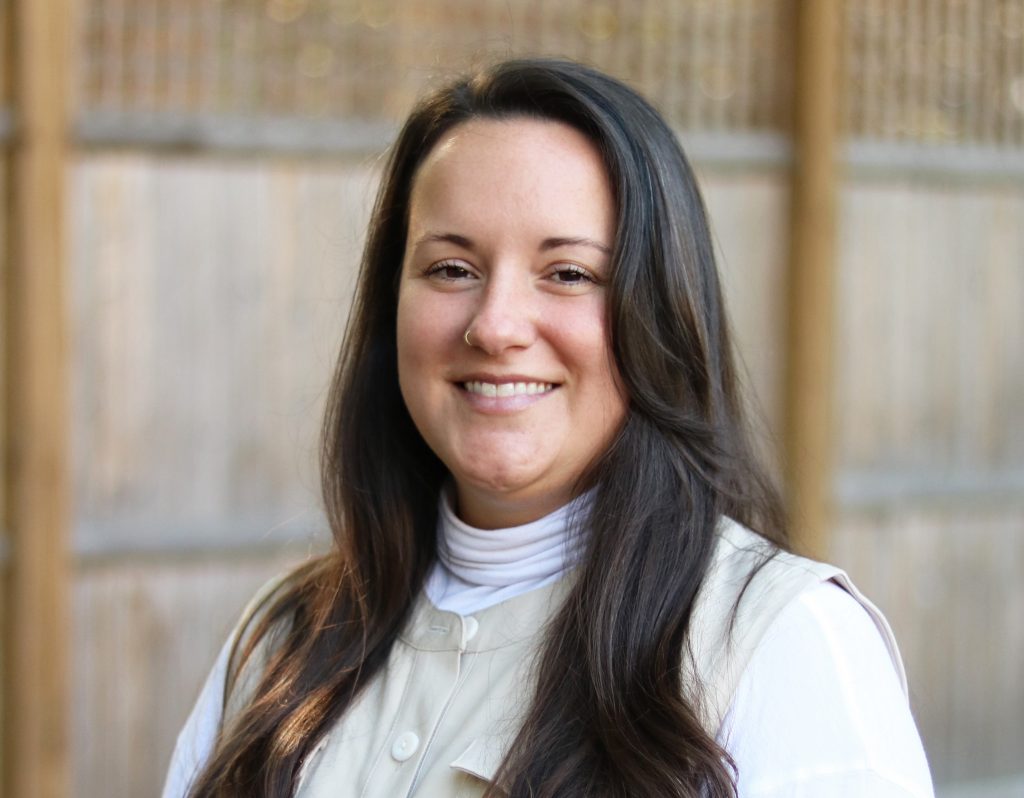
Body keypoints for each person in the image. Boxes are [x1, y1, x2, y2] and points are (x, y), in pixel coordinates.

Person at [163, 58, 934, 797]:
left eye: (568, 274)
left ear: (657, 313)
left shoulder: (779, 645)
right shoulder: (284, 644)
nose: (495, 326)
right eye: (451, 269)